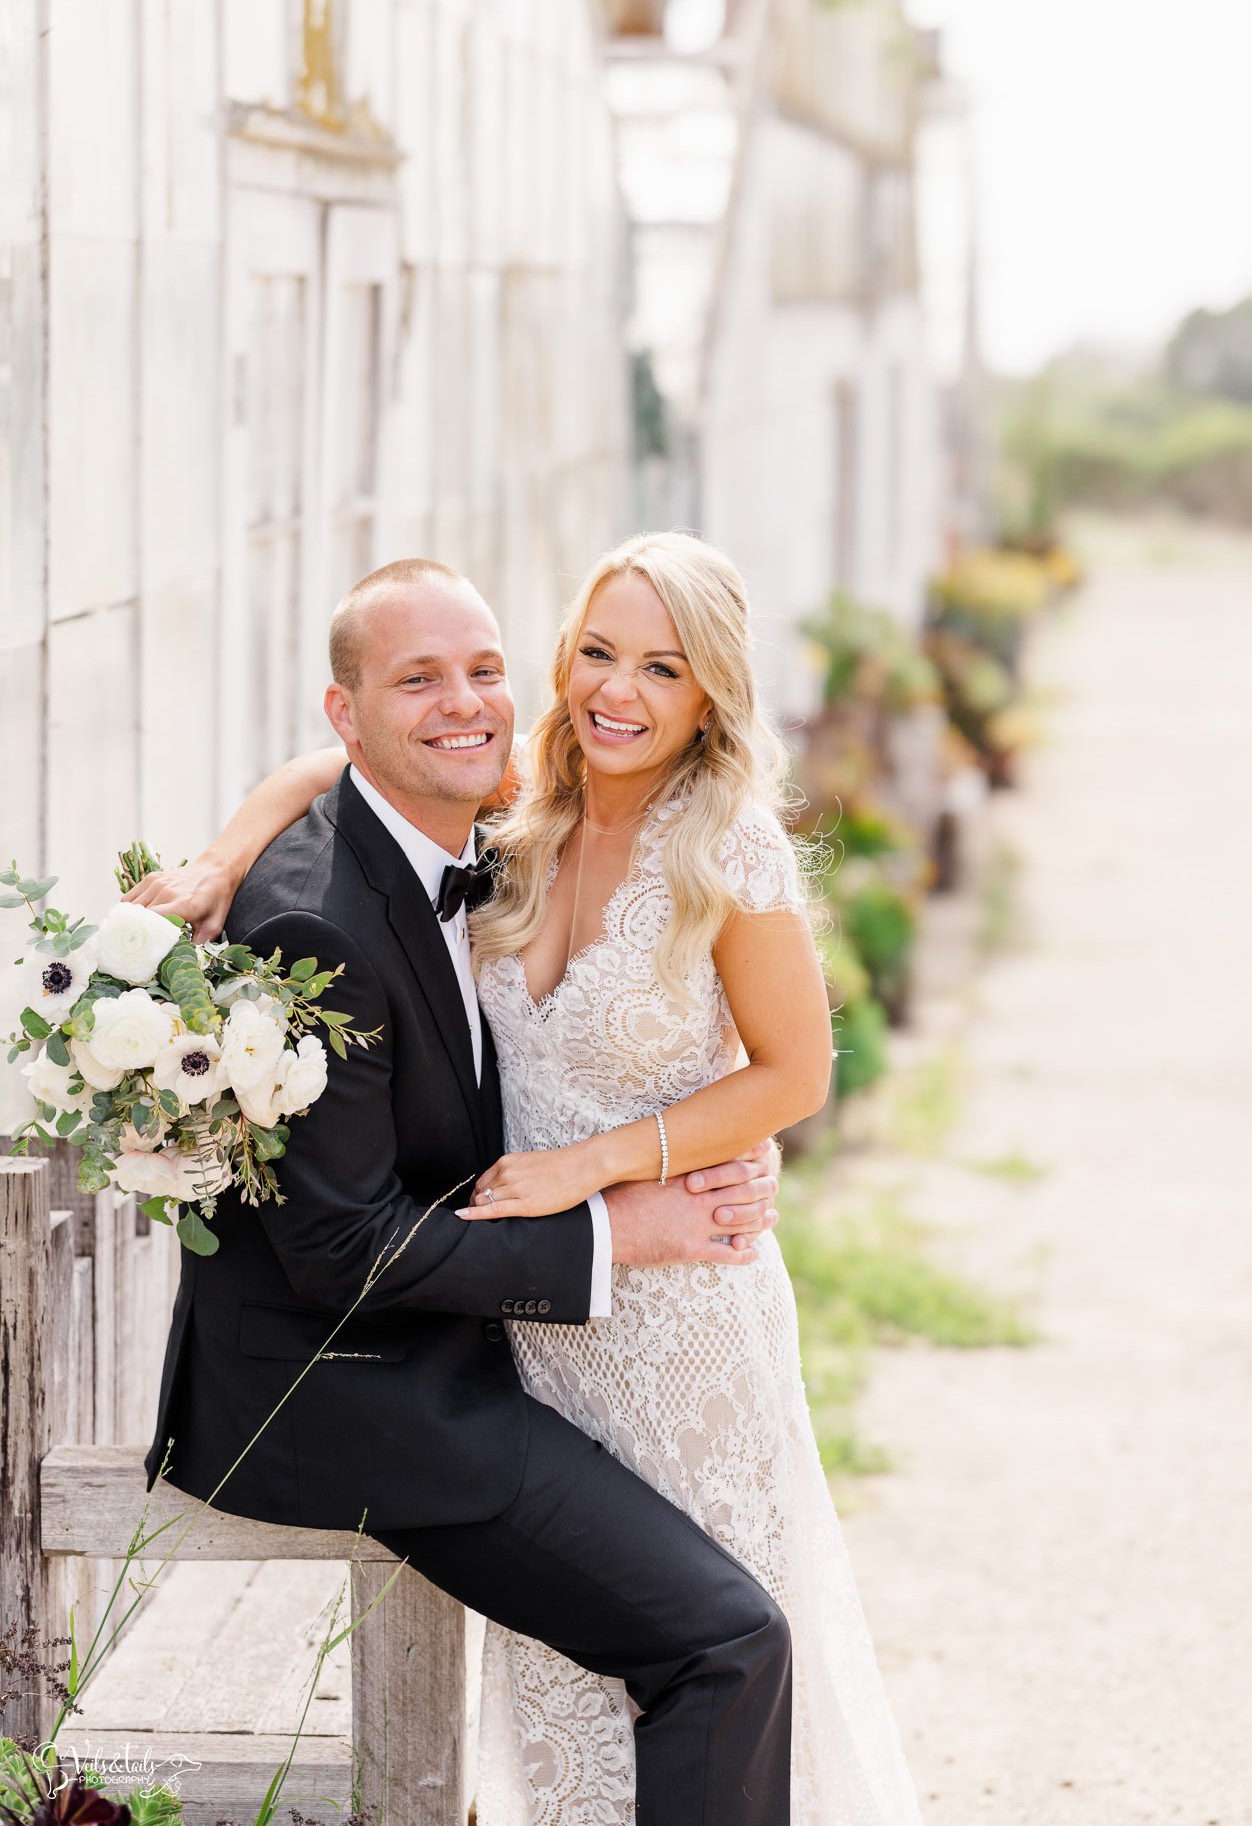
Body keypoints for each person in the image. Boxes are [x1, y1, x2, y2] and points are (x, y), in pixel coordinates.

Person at [135, 536, 923, 1826]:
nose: (620, 689)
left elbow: (794, 1071)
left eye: (663, 668)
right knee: (584, 1685)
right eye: (599, 654)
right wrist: (224, 859)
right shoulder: (522, 808)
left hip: (672, 1312)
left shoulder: (708, 845)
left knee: (725, 1636)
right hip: (516, 1324)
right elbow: (335, 764)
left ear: (710, 693)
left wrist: (611, 1176)